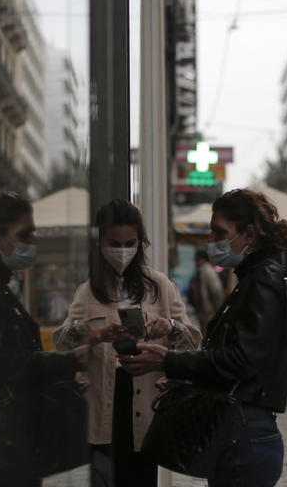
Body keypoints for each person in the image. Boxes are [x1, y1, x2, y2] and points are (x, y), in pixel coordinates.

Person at [128, 188, 287, 486]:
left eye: (219, 231)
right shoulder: (257, 277)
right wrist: (185, 378)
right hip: (240, 427)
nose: (211, 240)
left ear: (249, 234)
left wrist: (171, 360)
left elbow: (240, 360)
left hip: (244, 429)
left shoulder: (263, 280)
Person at [53, 199, 201, 487]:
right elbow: (61, 342)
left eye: (129, 243)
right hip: (103, 404)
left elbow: (193, 341)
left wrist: (170, 325)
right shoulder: (89, 290)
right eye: (114, 243)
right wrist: (92, 331)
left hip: (146, 401)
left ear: (140, 242)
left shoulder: (159, 286)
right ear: (99, 242)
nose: (122, 251)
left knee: (141, 478)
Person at [0, 191, 87, 486]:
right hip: (1, 437)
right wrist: (71, 361)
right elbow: (2, 362)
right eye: (25, 233)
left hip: (9, 433)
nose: (33, 242)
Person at [190, 249, 225, 333]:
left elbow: (216, 290)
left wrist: (218, 306)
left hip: (209, 311)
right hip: (204, 310)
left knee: (209, 334)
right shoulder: (202, 271)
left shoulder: (208, 271)